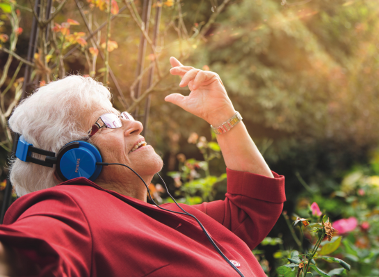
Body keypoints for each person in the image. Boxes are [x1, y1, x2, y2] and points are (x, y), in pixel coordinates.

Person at [0, 57, 285, 276]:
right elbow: (25, 256)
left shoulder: (173, 217)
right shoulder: (73, 207)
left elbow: (254, 206)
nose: (135, 124)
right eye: (108, 122)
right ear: (77, 161)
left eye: (121, 115)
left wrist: (222, 116)